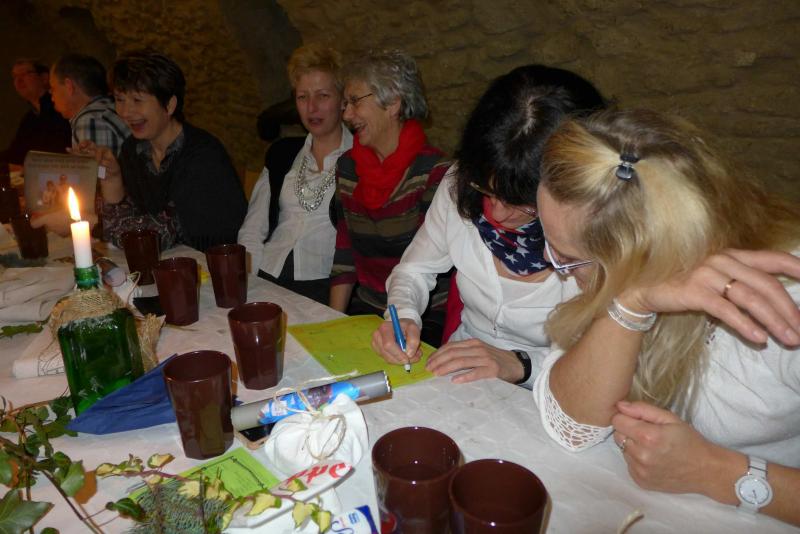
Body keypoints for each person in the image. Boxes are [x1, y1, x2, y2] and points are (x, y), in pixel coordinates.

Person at [532, 109, 800, 525]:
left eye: (567, 258)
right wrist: (632, 301)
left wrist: (716, 472)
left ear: (645, 254)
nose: (553, 266)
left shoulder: (788, 299)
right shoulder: (605, 260)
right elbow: (571, 423)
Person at [372, 65, 605, 385]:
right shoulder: (460, 182)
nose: (497, 213)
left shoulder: (599, 230)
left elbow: (600, 364)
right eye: (487, 191)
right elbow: (414, 270)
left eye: (522, 204)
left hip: (553, 389)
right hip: (460, 370)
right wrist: (403, 316)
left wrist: (521, 365)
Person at [330, 50, 450, 345]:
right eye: (345, 104)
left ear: (393, 103)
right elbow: (345, 251)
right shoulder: (347, 167)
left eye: (355, 101)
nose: (346, 115)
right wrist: (332, 321)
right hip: (367, 308)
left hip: (423, 316)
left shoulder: (434, 173)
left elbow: (424, 267)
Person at [83, 50, 247, 251]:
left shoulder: (202, 156)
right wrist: (112, 178)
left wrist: (98, 225)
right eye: (119, 99)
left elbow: (157, 235)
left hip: (212, 262)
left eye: (137, 100)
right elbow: (121, 219)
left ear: (169, 105)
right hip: (167, 259)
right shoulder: (133, 149)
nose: (125, 112)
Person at [238, 44, 352, 304]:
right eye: (302, 97)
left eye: (322, 96)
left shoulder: (360, 161)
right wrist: (249, 286)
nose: (311, 108)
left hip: (324, 288)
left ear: (343, 100)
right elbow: (253, 230)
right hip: (267, 276)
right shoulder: (281, 154)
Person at [50, 53, 131, 156]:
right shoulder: (105, 109)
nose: (52, 97)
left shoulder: (90, 120)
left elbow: (96, 167)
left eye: (53, 89)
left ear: (69, 86)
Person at [2, 59, 71, 168]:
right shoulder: (29, 118)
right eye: (15, 76)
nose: (19, 80)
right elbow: (16, 153)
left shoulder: (62, 110)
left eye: (25, 74)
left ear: (44, 78)